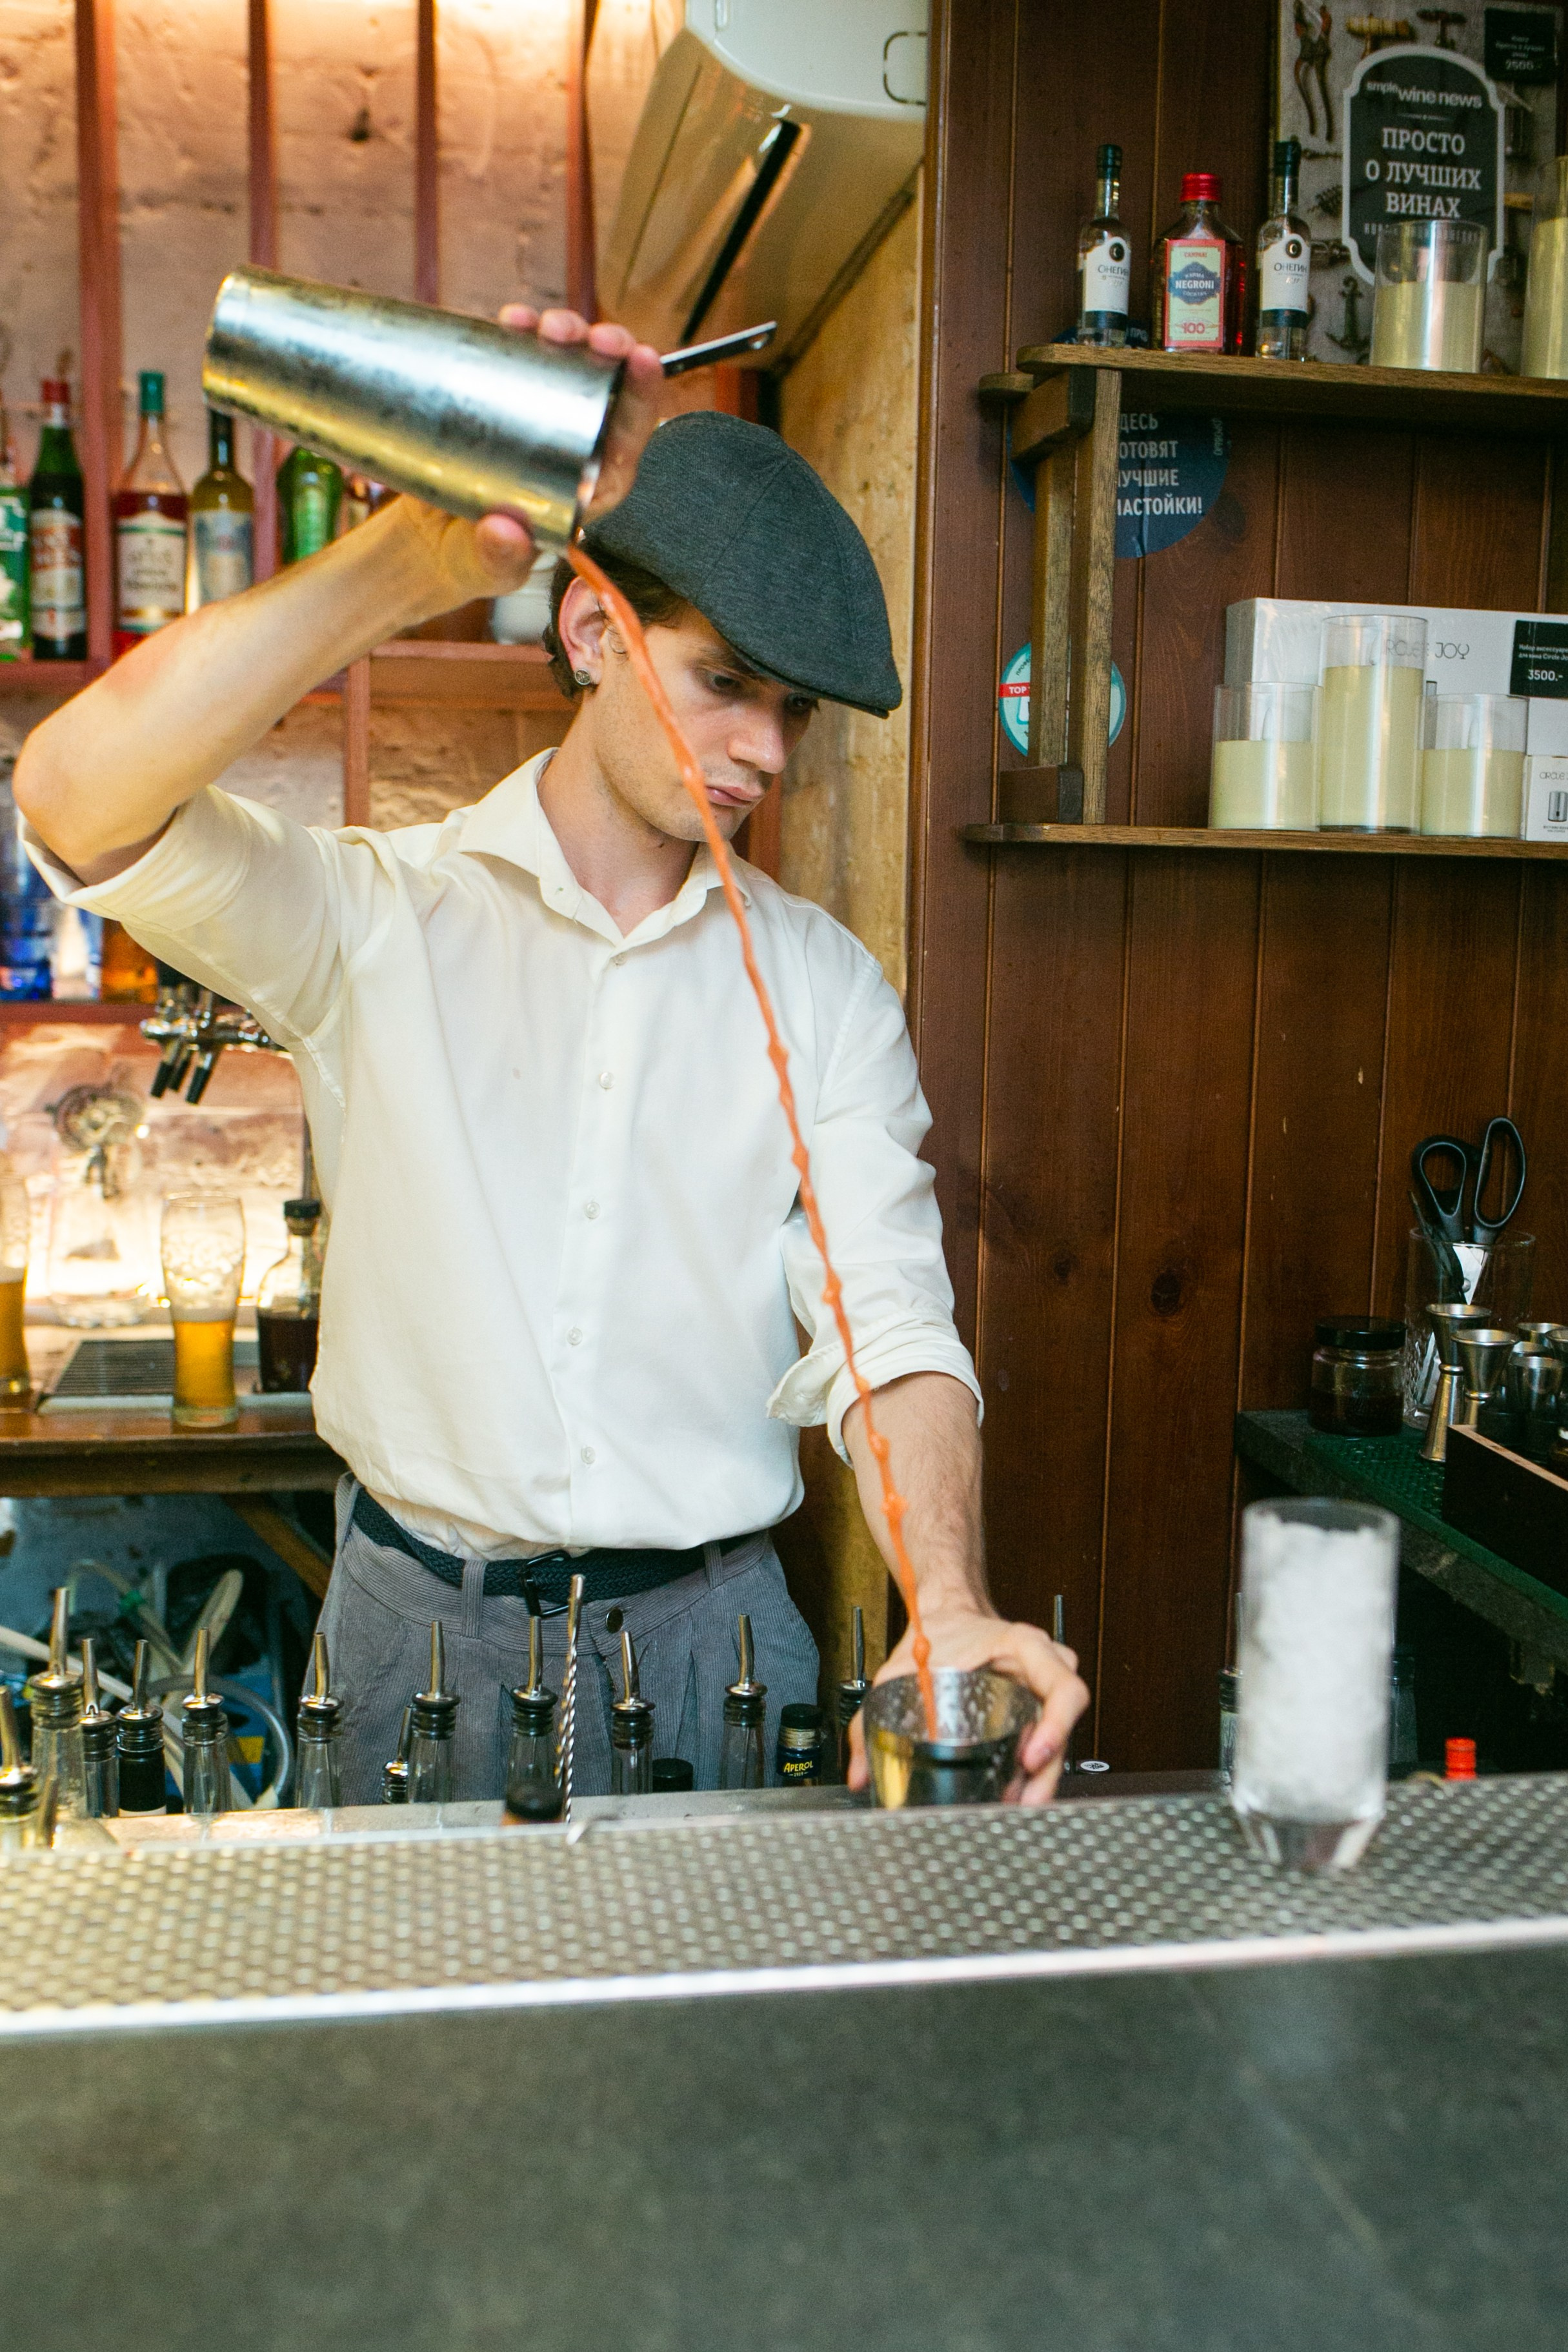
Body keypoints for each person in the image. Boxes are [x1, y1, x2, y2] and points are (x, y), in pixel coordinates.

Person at [14, 304, 1089, 1802]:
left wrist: (950, 1599)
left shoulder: (825, 987)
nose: (769, 753)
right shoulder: (378, 914)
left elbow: (889, 1327)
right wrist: (416, 559)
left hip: (720, 1644)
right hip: (408, 1639)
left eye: (792, 712)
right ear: (591, 634)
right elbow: (71, 794)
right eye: (725, 684)